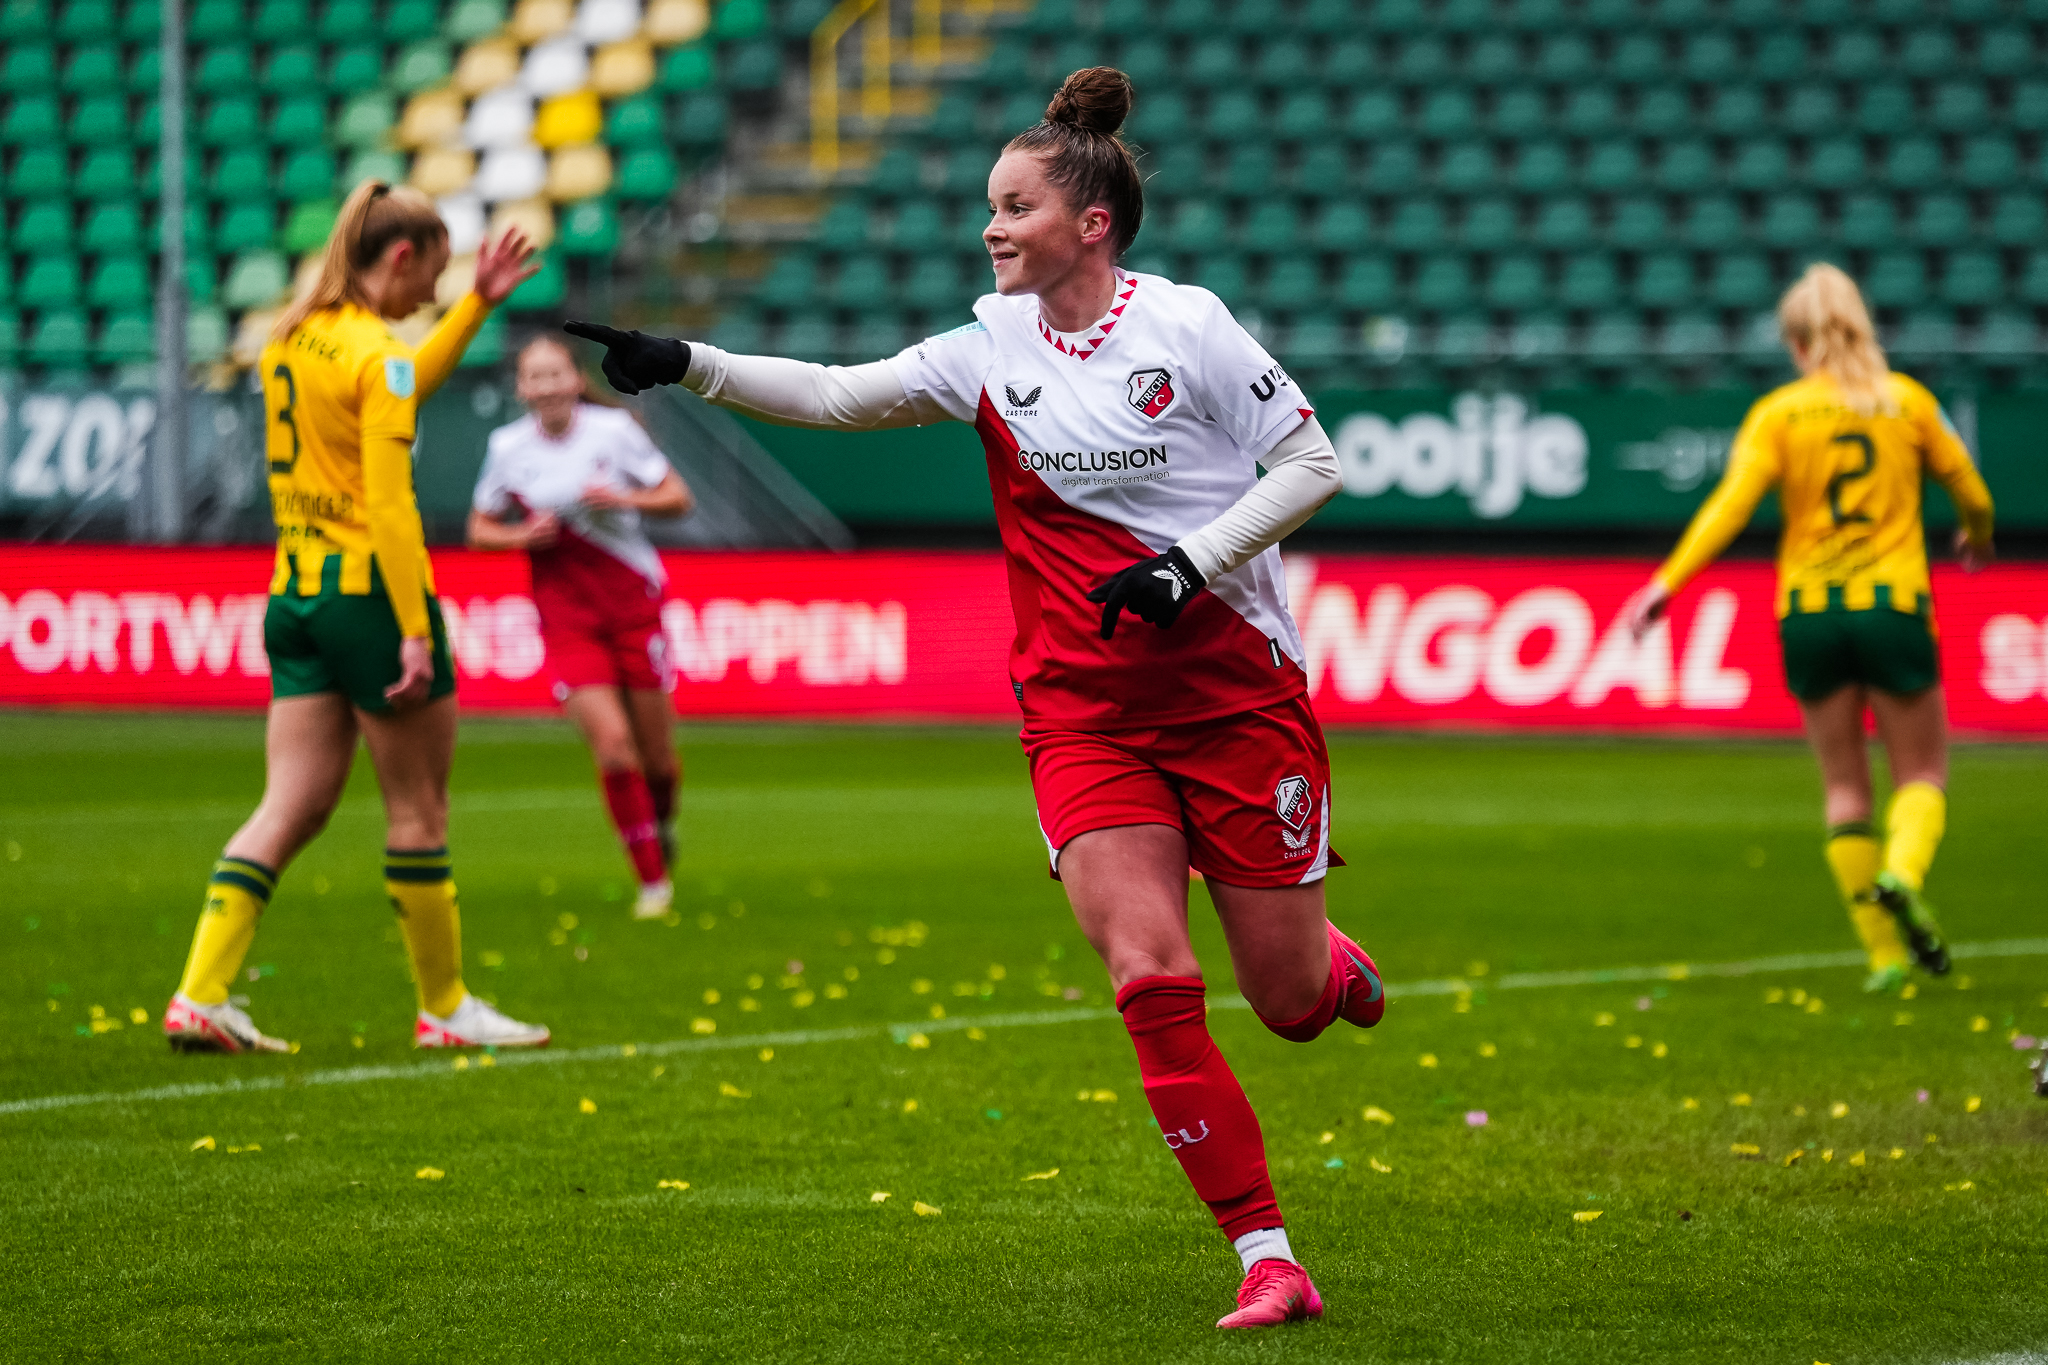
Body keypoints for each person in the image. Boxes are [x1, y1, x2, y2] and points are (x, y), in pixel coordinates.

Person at [565, 67, 1383, 1330]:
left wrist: (1185, 566)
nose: (989, 228)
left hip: (1236, 702)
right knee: (1147, 977)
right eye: (986, 208)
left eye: (1011, 208)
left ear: (1089, 224)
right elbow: (843, 393)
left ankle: (1324, 967)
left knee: (1283, 1007)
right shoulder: (989, 346)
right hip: (1082, 713)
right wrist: (688, 362)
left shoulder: (1190, 328)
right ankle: (1266, 1257)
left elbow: (1311, 462)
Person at [163, 180, 553, 1054]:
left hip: (294, 594)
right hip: (368, 597)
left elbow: (404, 382)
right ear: (401, 256)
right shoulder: (378, 354)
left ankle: (201, 991)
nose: (430, 300)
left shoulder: (291, 339)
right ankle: (445, 1005)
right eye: (433, 280)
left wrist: (480, 306)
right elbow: (391, 508)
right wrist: (414, 627)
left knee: (290, 804)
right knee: (420, 810)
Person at [1625, 262, 1994, 994]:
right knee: (1920, 773)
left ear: (1796, 343)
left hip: (1809, 614)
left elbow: (1730, 506)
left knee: (1844, 790)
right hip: (1892, 605)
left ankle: (1885, 957)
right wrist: (1977, 534)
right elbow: (1971, 490)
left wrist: (1666, 584)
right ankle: (1904, 870)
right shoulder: (1909, 403)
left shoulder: (1780, 414)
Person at [467, 335, 695, 921]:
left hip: (630, 600)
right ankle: (652, 884)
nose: (544, 386)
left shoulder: (613, 432)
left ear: (574, 380)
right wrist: (521, 537)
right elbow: (479, 527)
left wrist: (620, 498)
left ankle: (660, 823)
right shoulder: (506, 447)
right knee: (614, 749)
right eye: (532, 377)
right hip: (565, 613)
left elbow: (677, 497)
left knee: (658, 761)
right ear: (521, 389)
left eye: (554, 374)